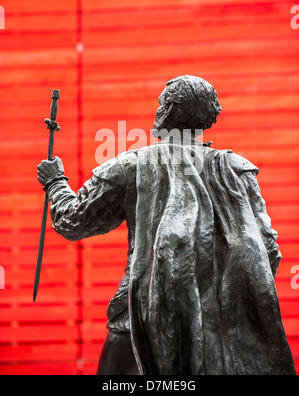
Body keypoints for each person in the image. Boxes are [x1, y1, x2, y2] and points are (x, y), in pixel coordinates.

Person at [37, 75, 296, 375]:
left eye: (161, 103)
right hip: (220, 333)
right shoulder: (238, 170)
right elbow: (268, 251)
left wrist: (55, 182)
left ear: (167, 110)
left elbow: (73, 219)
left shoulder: (131, 165)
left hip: (143, 319)